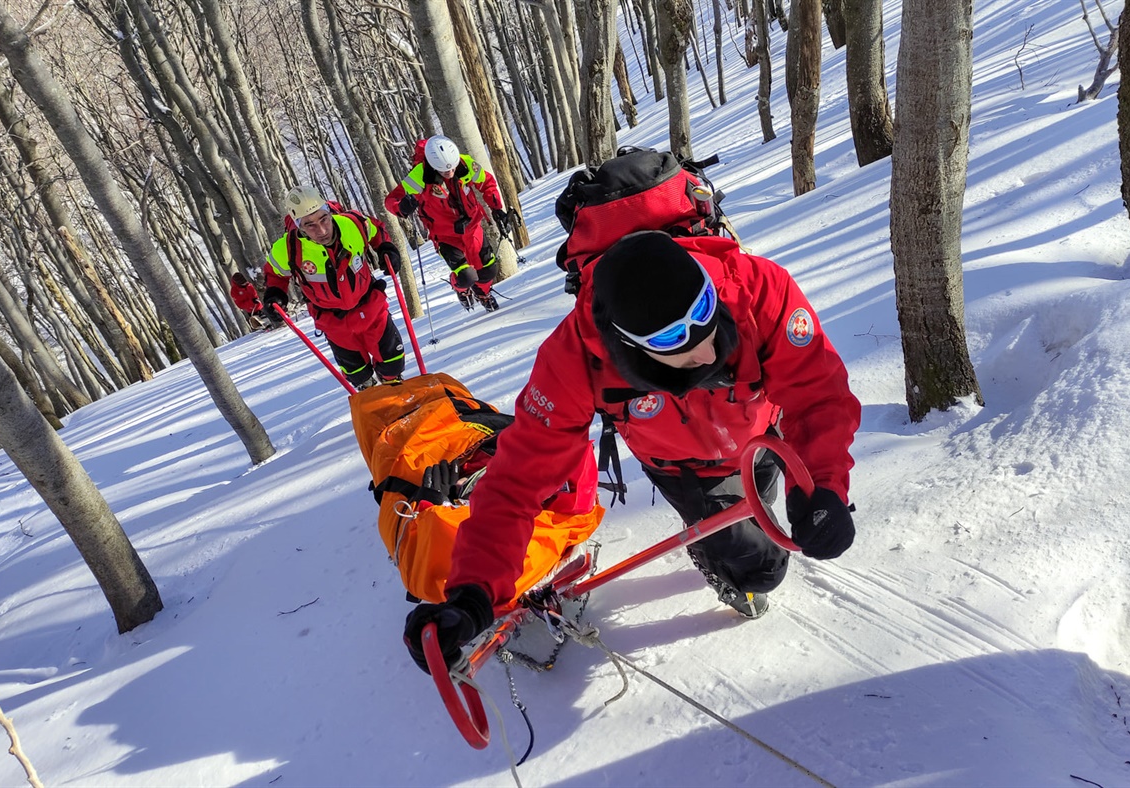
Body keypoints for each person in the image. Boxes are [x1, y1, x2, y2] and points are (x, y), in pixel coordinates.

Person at [402, 230, 861, 672]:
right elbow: (516, 482)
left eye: (703, 311)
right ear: (628, 343)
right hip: (684, 467)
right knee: (762, 570)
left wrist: (823, 482)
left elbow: (819, 393)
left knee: (767, 500)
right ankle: (716, 547)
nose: (703, 349)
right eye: (669, 340)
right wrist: (472, 592)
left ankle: (736, 516)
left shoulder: (755, 288)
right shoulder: (573, 361)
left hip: (763, 432)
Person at [262, 186, 407, 390]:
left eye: (323, 219)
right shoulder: (287, 248)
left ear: (329, 211)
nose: (321, 230)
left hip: (372, 308)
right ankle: (374, 402)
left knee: (393, 362)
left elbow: (377, 231)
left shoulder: (352, 224)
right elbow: (274, 274)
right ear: (298, 226)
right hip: (334, 322)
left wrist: (386, 248)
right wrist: (274, 294)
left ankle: (397, 391)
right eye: (309, 225)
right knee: (359, 376)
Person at [383, 135, 512, 313]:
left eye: (452, 169)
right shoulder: (419, 176)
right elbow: (391, 201)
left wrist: (497, 208)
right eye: (444, 171)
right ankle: (460, 289)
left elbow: (487, 183)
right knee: (466, 276)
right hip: (446, 237)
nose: (450, 173)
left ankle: (482, 293)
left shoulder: (465, 164)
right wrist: (402, 206)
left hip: (473, 228)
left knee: (489, 270)